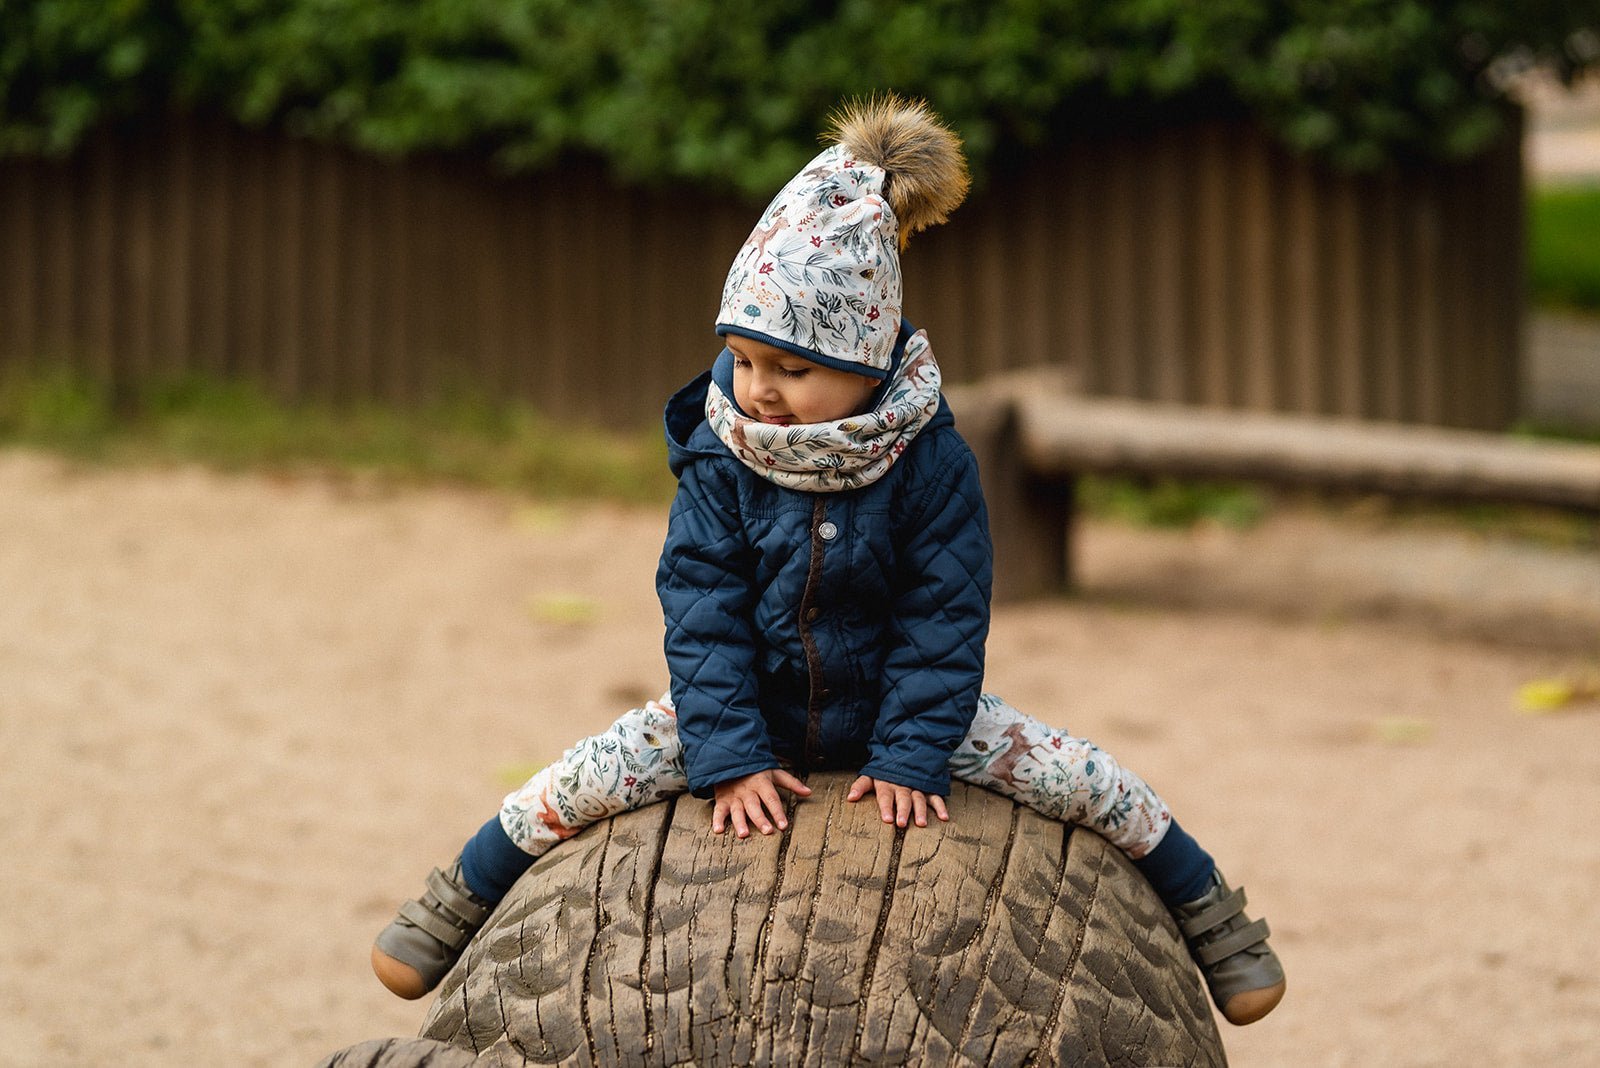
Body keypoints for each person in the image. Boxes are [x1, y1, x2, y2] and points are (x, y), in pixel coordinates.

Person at [371, 96, 1285, 1026]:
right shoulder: (723, 449)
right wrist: (728, 753)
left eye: (791, 369)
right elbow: (700, 600)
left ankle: (1218, 925)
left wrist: (912, 748)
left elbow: (947, 610)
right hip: (751, 705)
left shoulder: (927, 457)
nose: (757, 390)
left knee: (1089, 782)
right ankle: (450, 907)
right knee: (577, 781)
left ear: (869, 356)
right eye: (741, 358)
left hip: (904, 706)